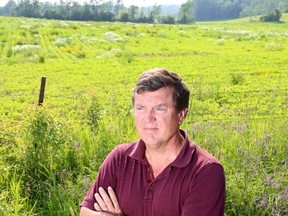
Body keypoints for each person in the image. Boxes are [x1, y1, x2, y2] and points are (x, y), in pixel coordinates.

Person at [80, 68, 226, 216]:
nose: (148, 118)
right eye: (140, 108)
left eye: (159, 108)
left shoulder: (206, 172)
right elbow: (85, 212)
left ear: (181, 115)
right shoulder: (119, 158)